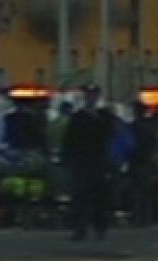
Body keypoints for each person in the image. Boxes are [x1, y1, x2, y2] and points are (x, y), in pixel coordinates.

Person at [62, 86, 113, 242]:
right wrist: (67, 158)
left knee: (99, 197)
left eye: (93, 94)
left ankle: (100, 228)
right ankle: (80, 229)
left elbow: (110, 136)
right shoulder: (78, 117)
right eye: (88, 95)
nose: (91, 97)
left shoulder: (104, 116)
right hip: (81, 162)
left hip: (98, 161)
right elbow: (69, 140)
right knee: (80, 196)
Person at [129, 101, 158, 226]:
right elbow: (155, 144)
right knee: (147, 191)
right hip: (148, 160)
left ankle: (137, 217)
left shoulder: (133, 126)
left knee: (136, 191)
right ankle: (147, 217)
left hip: (136, 160)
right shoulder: (151, 127)